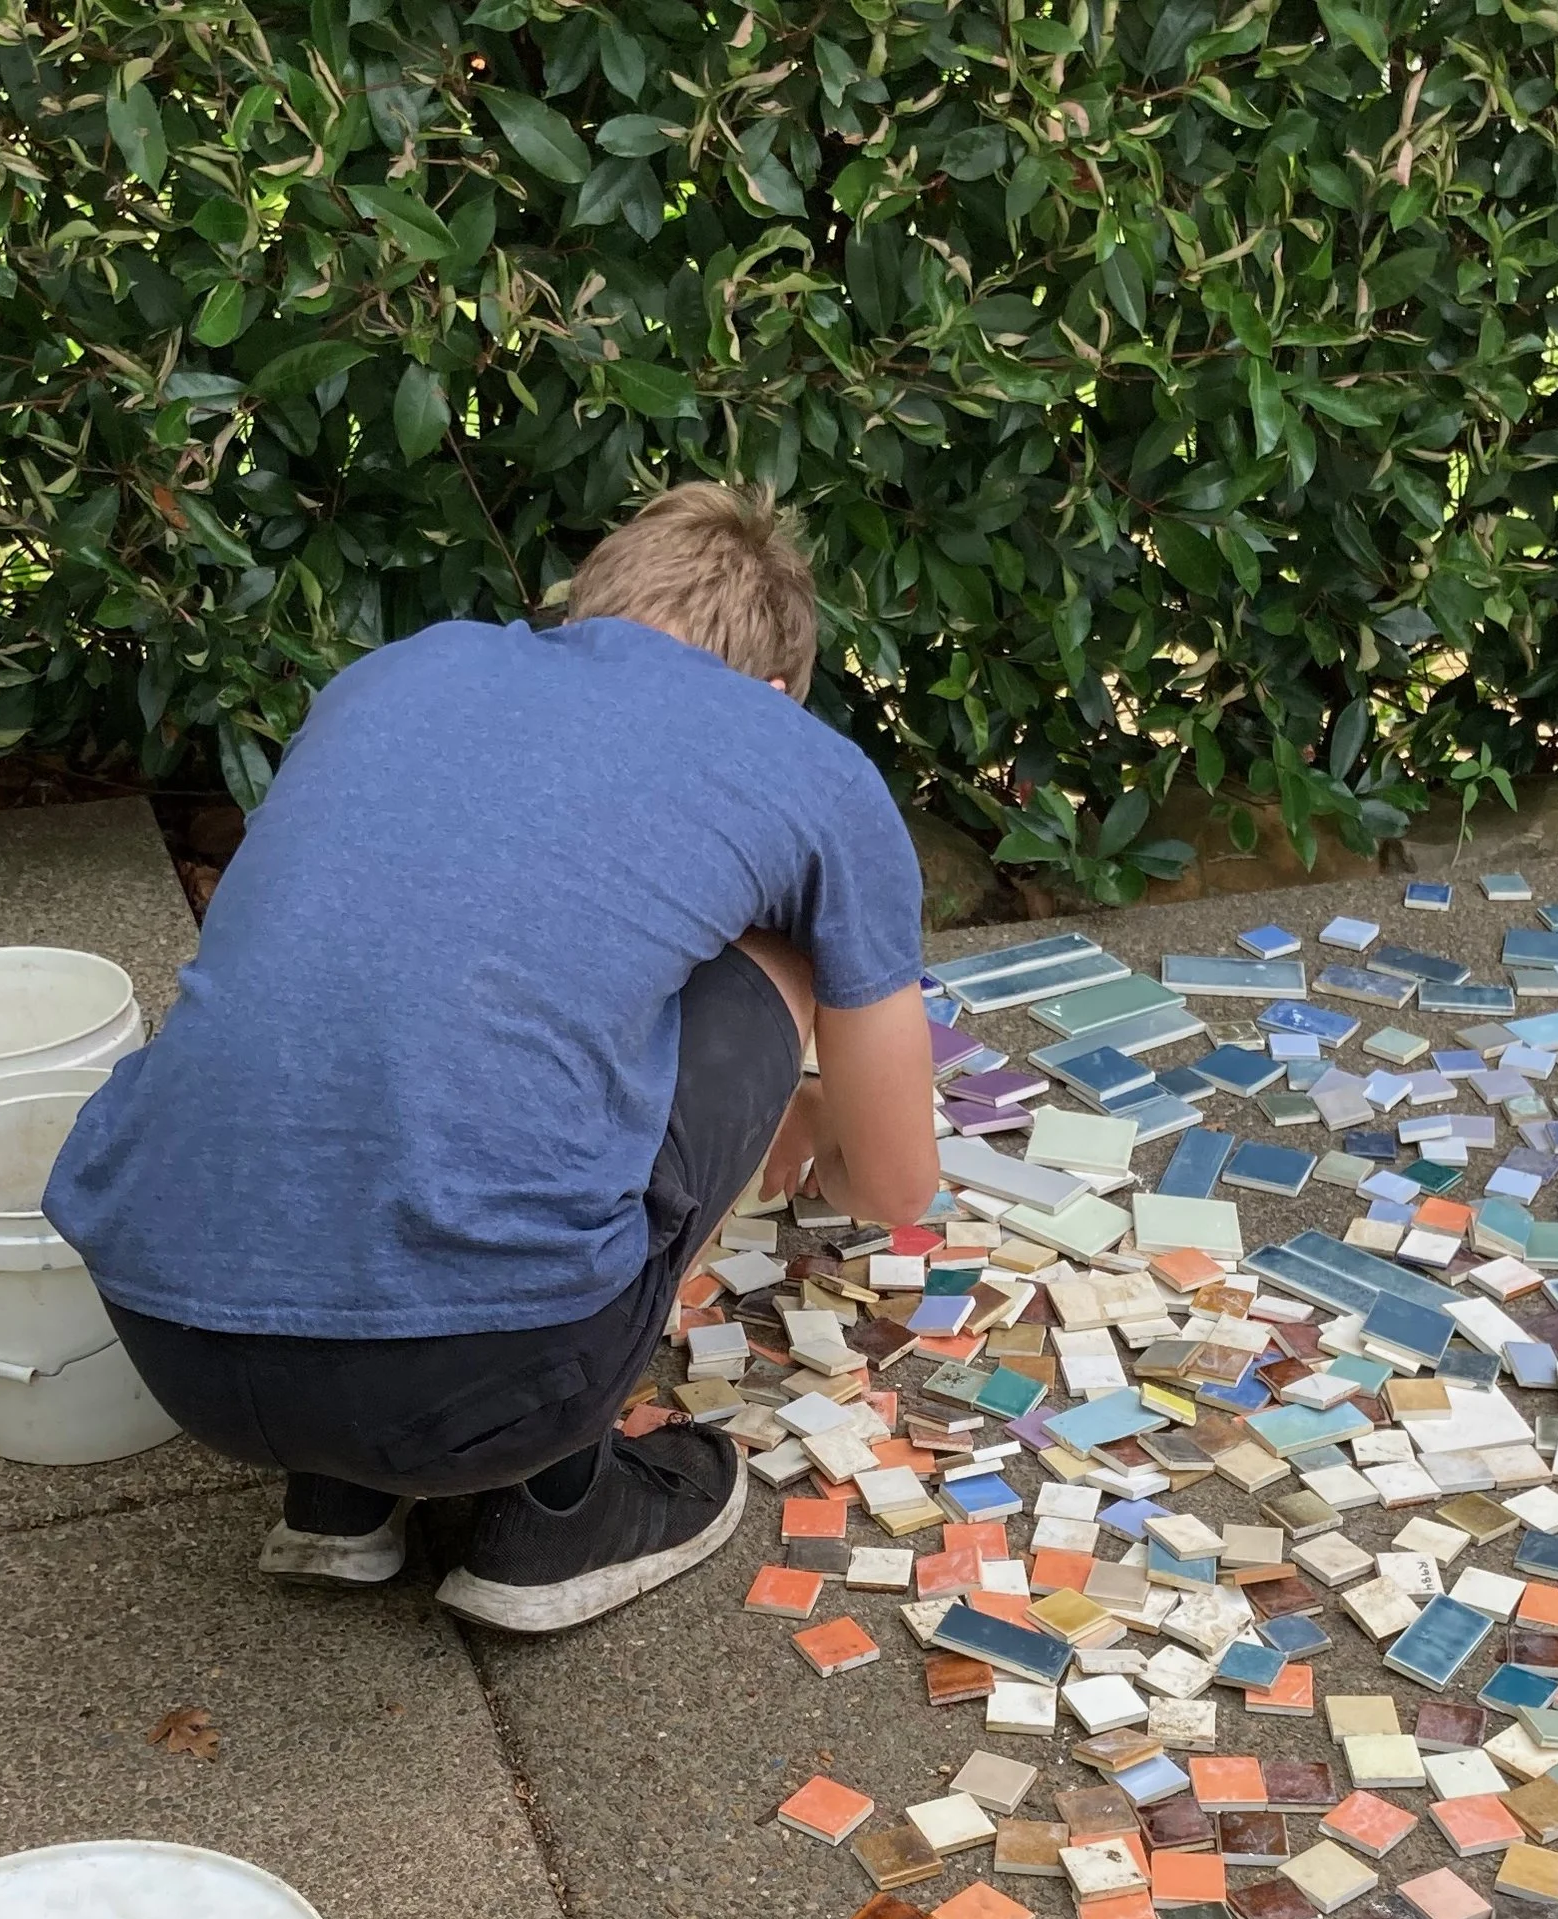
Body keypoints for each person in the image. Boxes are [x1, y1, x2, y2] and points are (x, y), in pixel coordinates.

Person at [46, 482, 938, 1632]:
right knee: (775, 951)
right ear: (771, 692)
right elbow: (897, 1185)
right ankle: (558, 1517)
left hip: (168, 1338)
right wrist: (798, 1106)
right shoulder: (798, 758)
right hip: (494, 1383)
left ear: (578, 620)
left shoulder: (398, 674)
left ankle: (338, 1499)